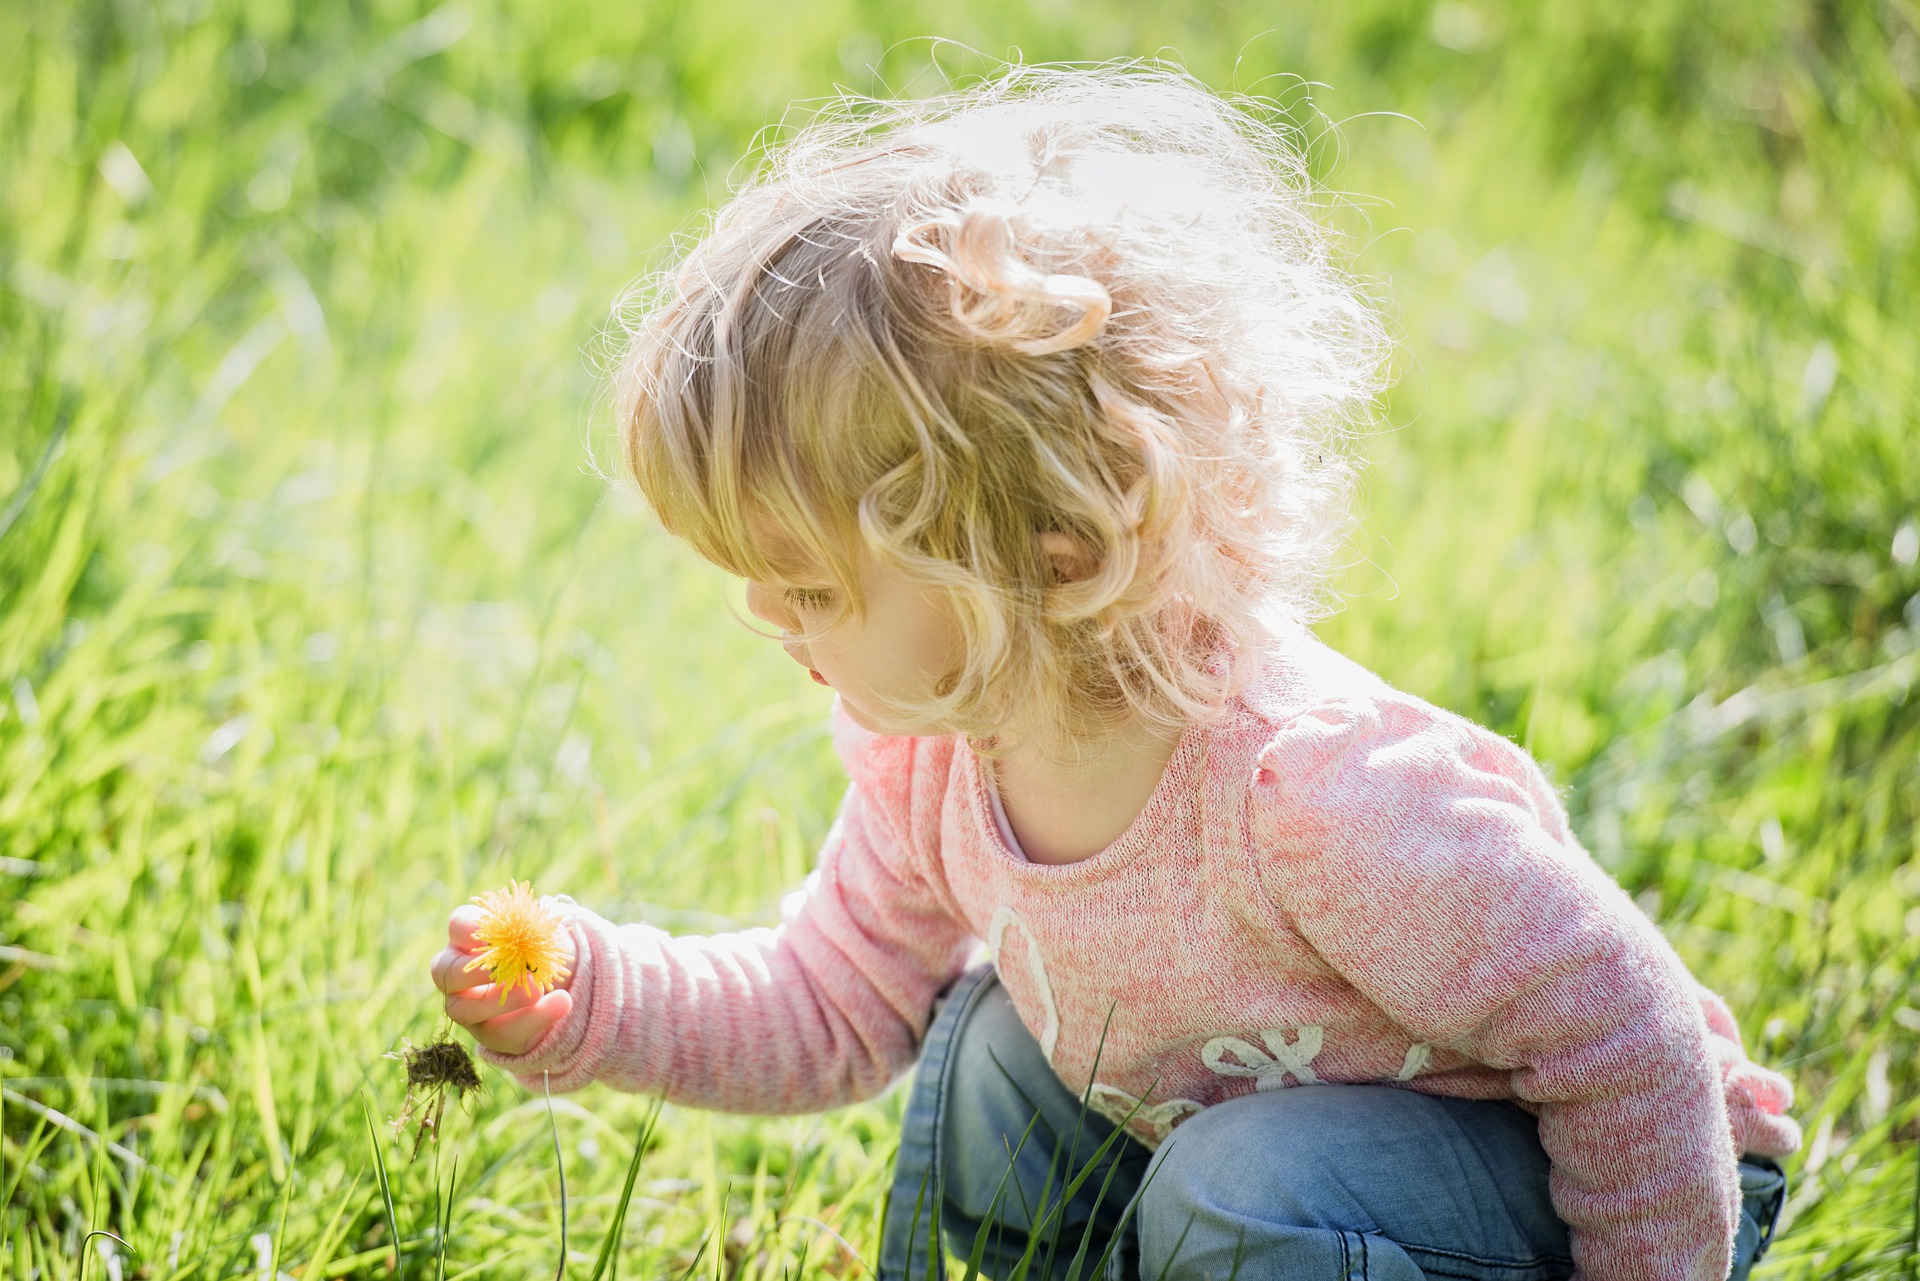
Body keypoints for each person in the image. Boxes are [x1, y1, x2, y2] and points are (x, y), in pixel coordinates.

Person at [428, 64, 1799, 1281]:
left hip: (1607, 1184)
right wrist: (595, 995)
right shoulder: (934, 762)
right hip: (1284, 1158)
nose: (763, 618)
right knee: (989, 1062)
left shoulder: (1316, 800)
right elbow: (829, 999)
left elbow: (1631, 1040)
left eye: (811, 585)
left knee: (1242, 1189)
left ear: (1053, 552)